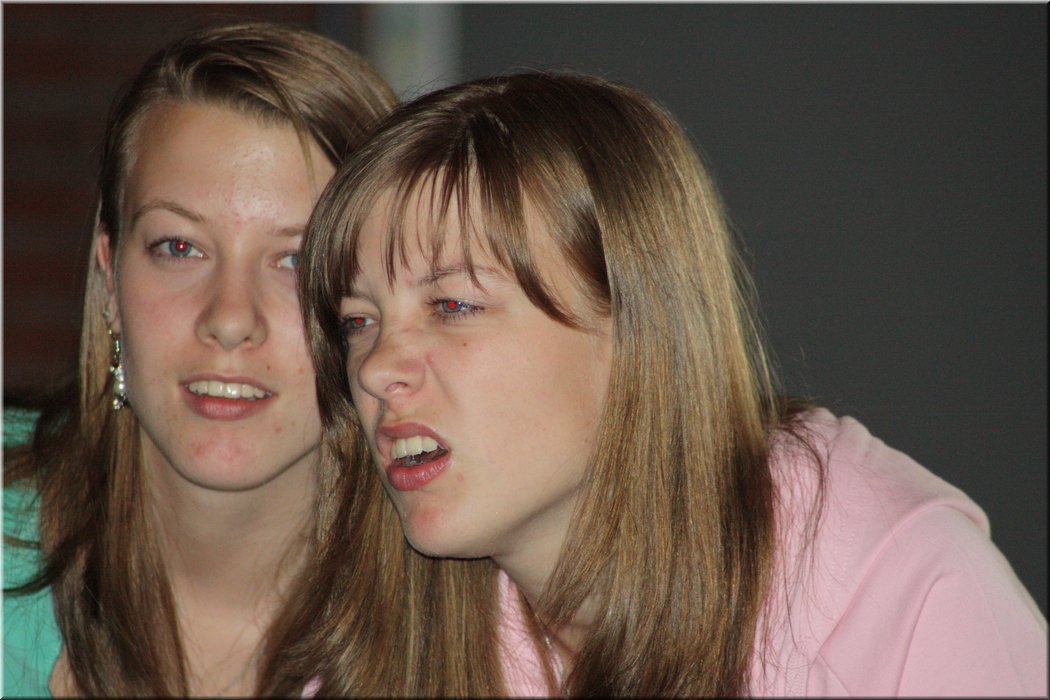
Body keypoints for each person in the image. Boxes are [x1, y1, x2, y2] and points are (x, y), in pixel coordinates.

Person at [290, 72, 1047, 696]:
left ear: (639, 327)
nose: (376, 368)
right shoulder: (385, 646)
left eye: (454, 305)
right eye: (358, 321)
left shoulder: (903, 595)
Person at [2, 21, 397, 697]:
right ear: (110, 278)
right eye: (179, 248)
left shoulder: (481, 622)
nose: (230, 319)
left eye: (295, 260)